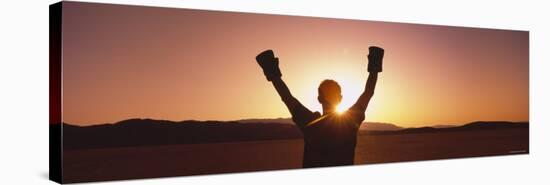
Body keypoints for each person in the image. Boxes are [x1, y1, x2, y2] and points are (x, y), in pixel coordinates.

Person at [255, 47, 384, 168]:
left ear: (319, 99)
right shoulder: (350, 121)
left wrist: (273, 74)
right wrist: (374, 67)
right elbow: (368, 93)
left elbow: (287, 97)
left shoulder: (309, 122)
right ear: (340, 99)